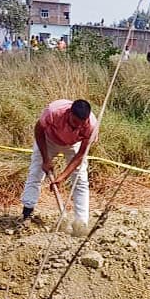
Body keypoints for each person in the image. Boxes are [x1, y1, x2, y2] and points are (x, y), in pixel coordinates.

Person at [21, 99, 99, 236]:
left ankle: (81, 223)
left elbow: (81, 154)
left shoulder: (91, 126)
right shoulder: (53, 112)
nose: (78, 127)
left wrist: (62, 177)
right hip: (48, 140)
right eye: (75, 123)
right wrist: (46, 159)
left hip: (74, 144)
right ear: (69, 114)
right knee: (36, 173)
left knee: (80, 180)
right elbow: (38, 130)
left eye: (82, 124)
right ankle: (27, 213)